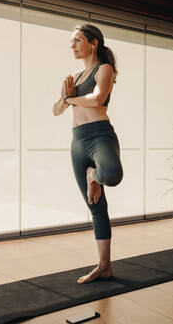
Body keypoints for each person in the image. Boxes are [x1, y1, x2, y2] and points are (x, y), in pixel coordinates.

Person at [52, 24, 123, 284]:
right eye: (71, 42)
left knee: (112, 175)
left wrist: (70, 100)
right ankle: (104, 266)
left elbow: (96, 99)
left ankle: (94, 175)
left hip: (99, 136)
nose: (72, 45)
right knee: (96, 207)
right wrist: (64, 98)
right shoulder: (76, 76)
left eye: (77, 40)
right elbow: (56, 110)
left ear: (93, 43)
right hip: (78, 141)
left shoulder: (103, 69)